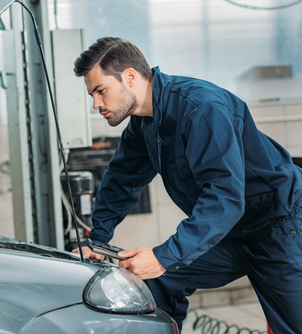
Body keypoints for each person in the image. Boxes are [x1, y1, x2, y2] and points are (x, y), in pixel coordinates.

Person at [72, 37, 302, 333]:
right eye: (92, 95)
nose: (96, 104)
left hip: (278, 225)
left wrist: (163, 256)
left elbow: (225, 197)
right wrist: (97, 241)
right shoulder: (143, 124)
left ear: (130, 76)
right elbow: (122, 179)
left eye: (100, 91)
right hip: (230, 232)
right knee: (154, 279)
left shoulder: (200, 108)